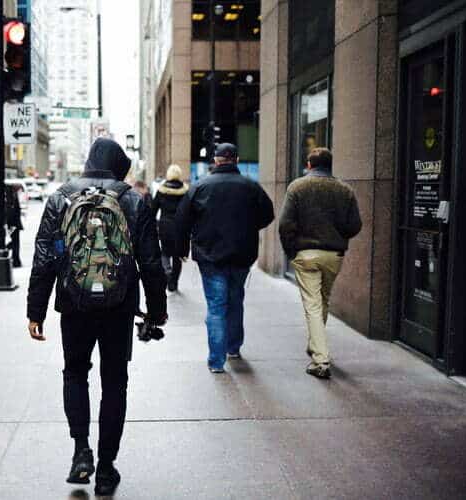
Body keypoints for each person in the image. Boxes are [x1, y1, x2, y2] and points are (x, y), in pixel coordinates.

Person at [27, 138, 167, 496]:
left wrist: (36, 310)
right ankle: (106, 468)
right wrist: (156, 310)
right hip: (119, 306)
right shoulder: (132, 199)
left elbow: (44, 257)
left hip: (73, 304)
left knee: (75, 373)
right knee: (114, 382)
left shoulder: (61, 197)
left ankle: (80, 453)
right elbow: (151, 262)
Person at [176, 143, 274, 373]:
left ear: (216, 160)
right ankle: (233, 348)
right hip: (242, 255)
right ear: (236, 160)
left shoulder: (200, 187)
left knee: (216, 306)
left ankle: (216, 361)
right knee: (235, 300)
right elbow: (267, 215)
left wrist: (182, 247)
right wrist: (249, 228)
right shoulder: (251, 187)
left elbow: (182, 220)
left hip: (210, 256)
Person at [278, 147, 362, 379]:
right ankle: (316, 345)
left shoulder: (297, 187)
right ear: (330, 165)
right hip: (333, 255)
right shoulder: (345, 190)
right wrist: (338, 235)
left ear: (309, 165)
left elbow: (285, 224)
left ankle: (320, 360)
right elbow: (355, 225)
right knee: (322, 301)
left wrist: (291, 251)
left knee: (313, 305)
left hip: (305, 254)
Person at [152, 164, 189, 292]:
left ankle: (167, 274)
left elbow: (153, 208)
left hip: (164, 226)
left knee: (165, 253)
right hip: (180, 227)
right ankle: (174, 282)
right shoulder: (185, 191)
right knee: (177, 255)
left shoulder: (161, 190)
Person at [5, 184, 24, 268]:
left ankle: (14, 258)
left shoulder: (8, 198)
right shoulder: (13, 198)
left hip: (12, 224)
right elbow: (14, 212)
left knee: (14, 242)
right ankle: (15, 259)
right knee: (15, 242)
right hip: (14, 224)